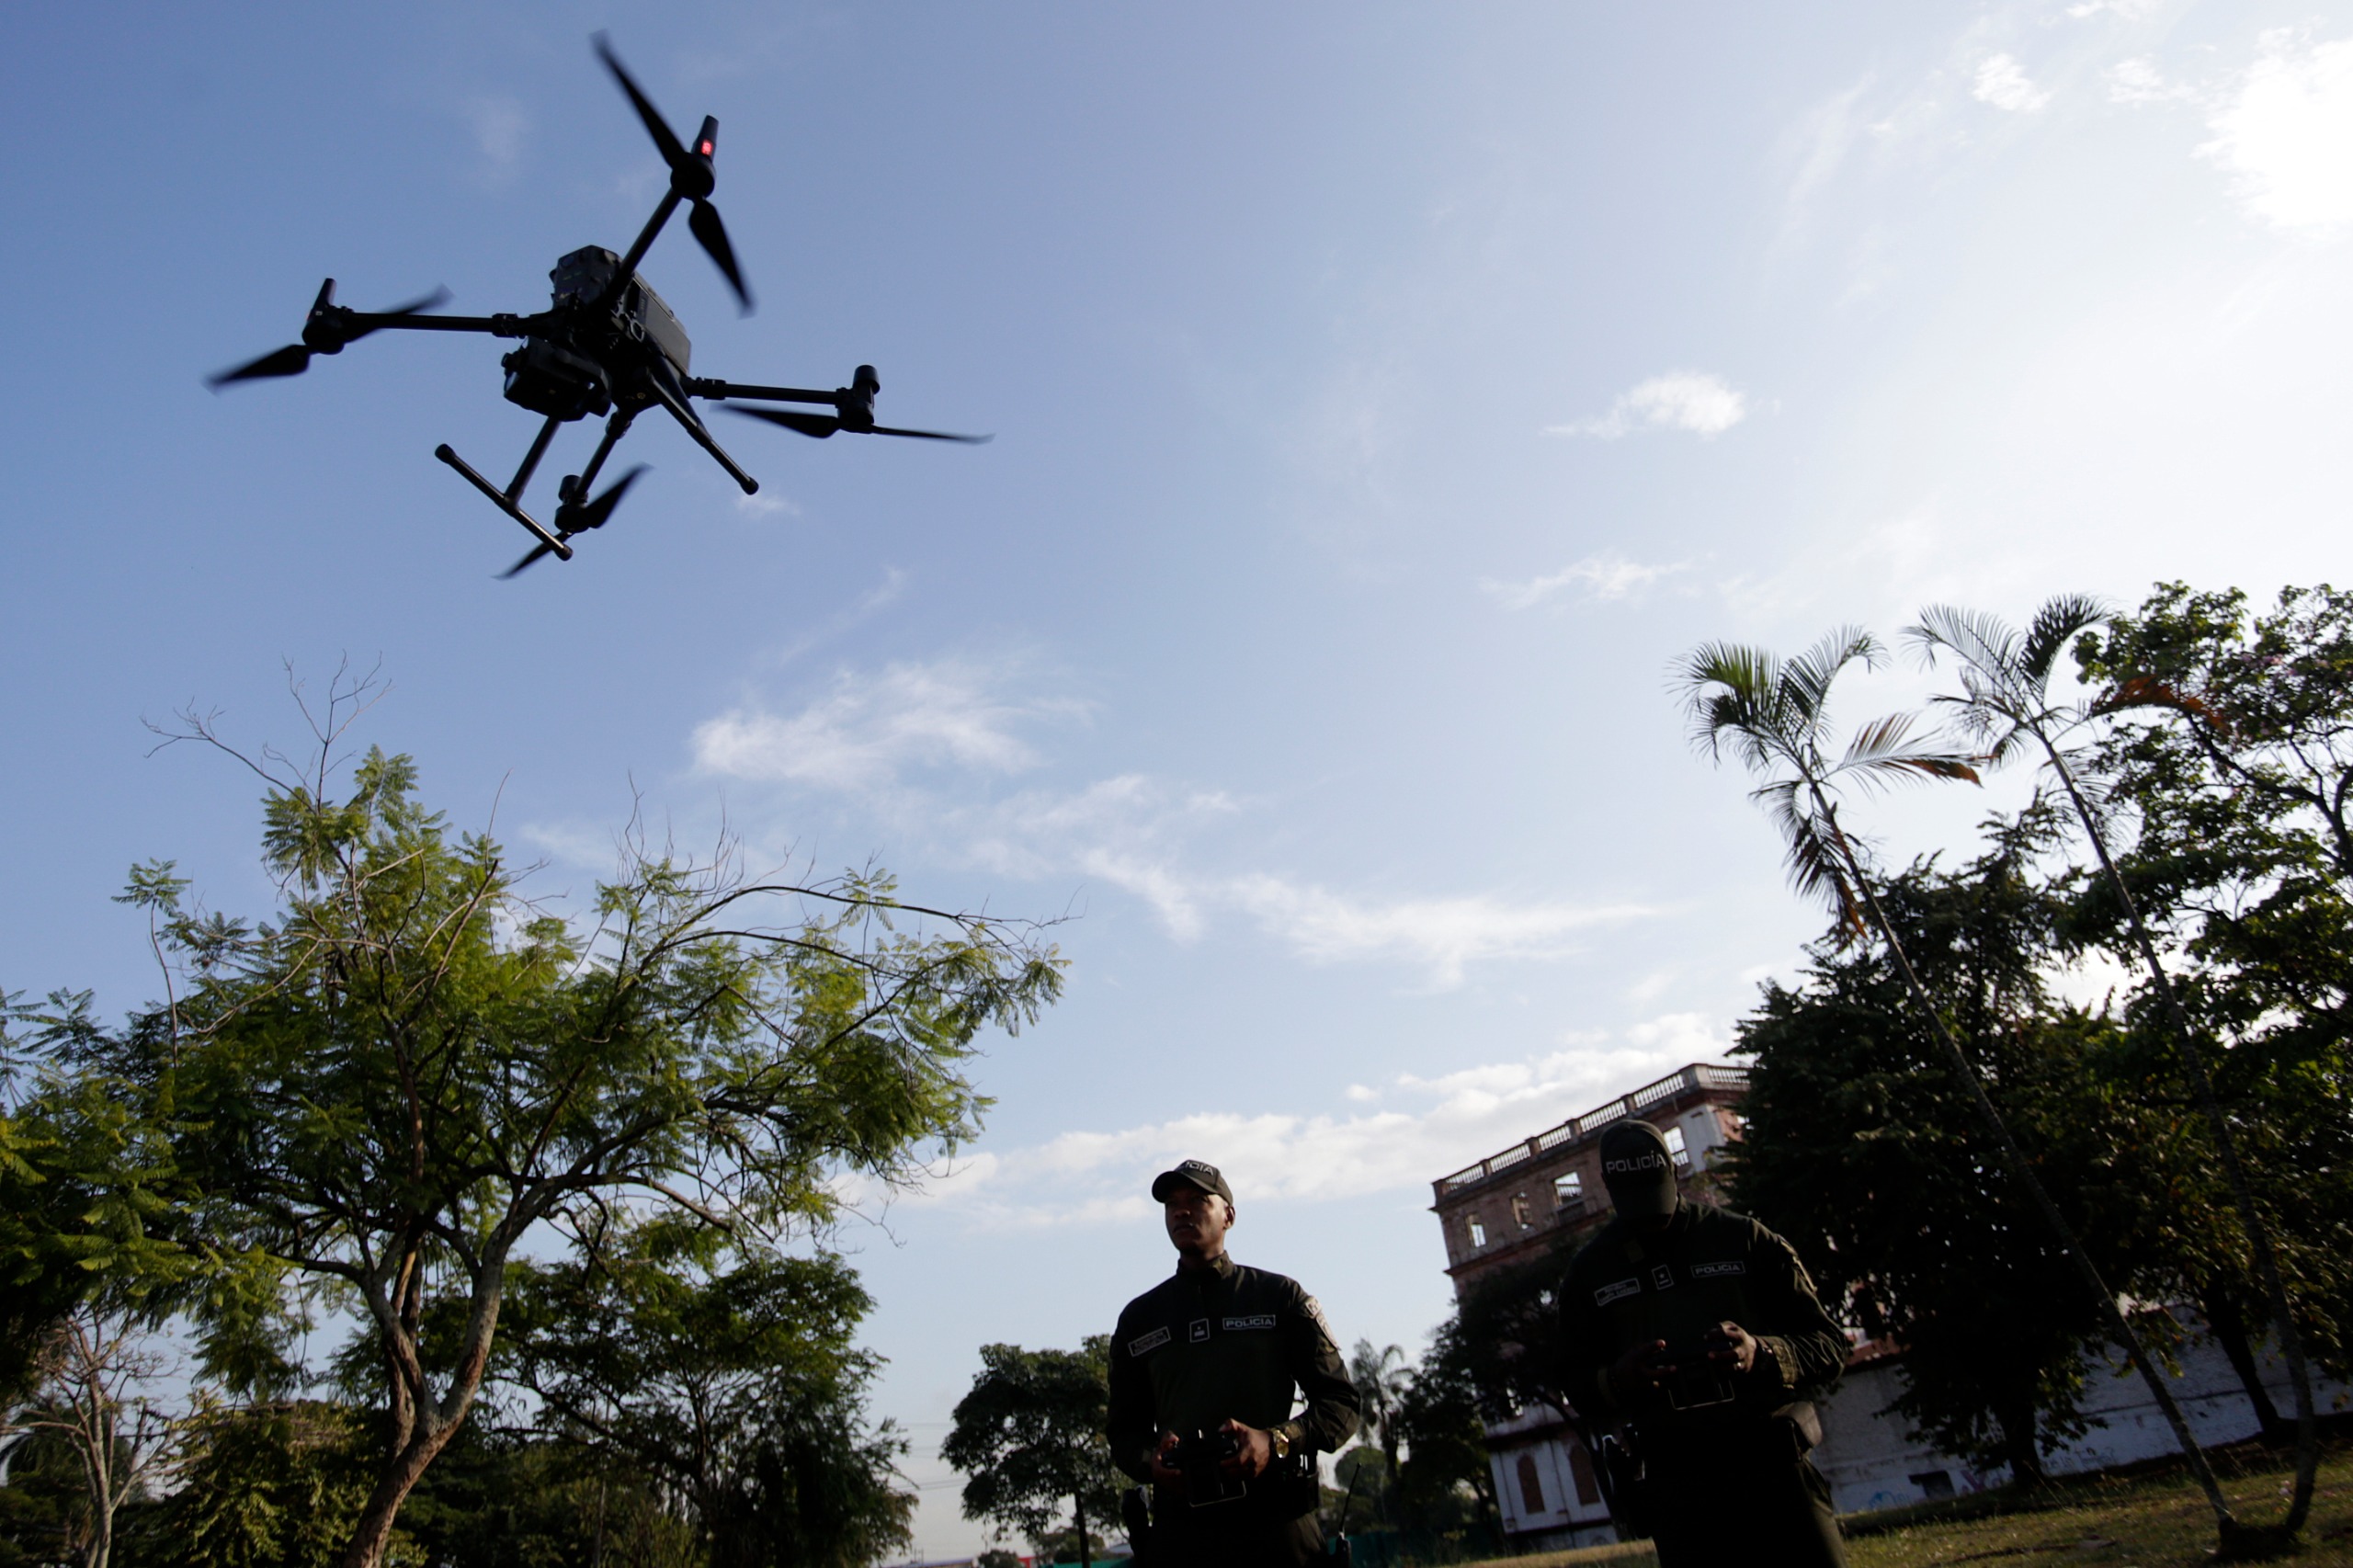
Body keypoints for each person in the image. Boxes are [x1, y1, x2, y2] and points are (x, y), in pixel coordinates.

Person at [1556, 1119, 1850, 1568]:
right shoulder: (1590, 1273)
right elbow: (1575, 1383)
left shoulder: (1746, 1239)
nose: (1651, 1218)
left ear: (1673, 1172)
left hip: (1773, 1468)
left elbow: (1830, 1344)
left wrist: (1761, 1352)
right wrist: (1620, 1378)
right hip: (1680, 1486)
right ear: (1607, 1188)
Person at [1107, 1158, 1360, 1567]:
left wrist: (1276, 1440)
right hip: (1183, 1533)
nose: (1182, 1211)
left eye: (1197, 1200)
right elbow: (1122, 1432)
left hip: (1278, 1525)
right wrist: (1152, 1462)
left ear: (1229, 1215)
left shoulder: (1280, 1297)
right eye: (1172, 1204)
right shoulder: (1139, 1319)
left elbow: (1341, 1405)